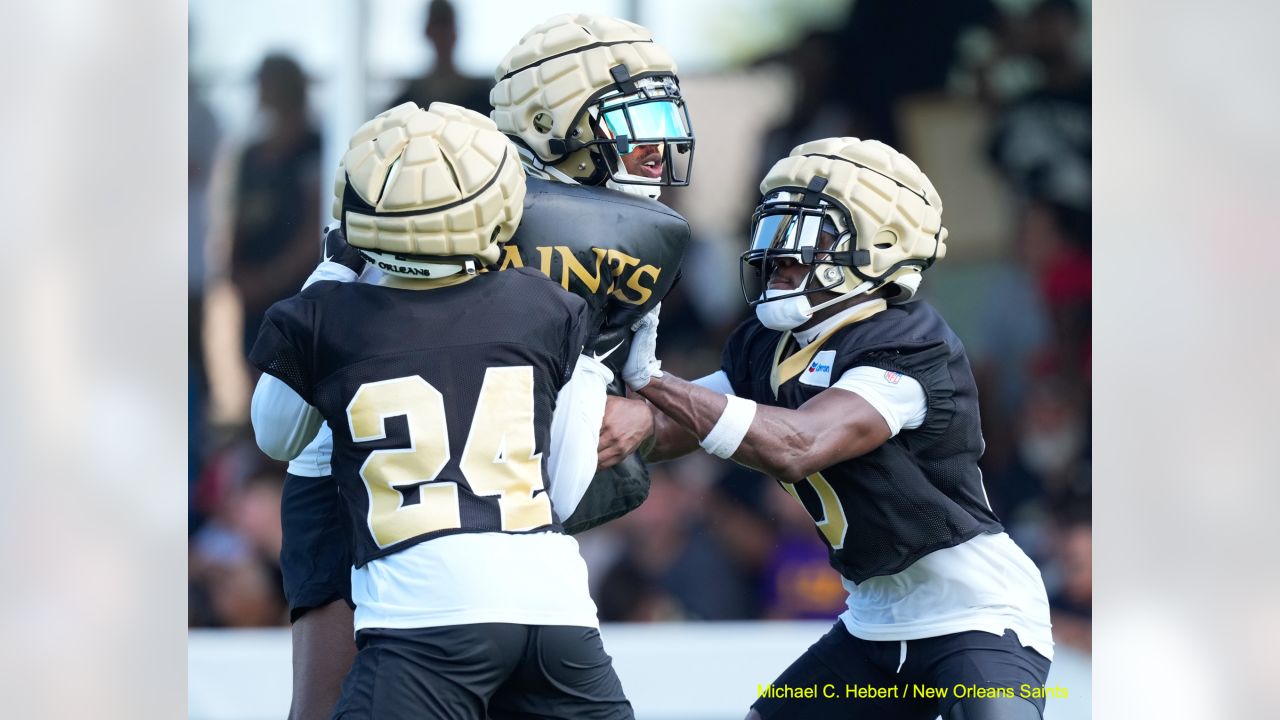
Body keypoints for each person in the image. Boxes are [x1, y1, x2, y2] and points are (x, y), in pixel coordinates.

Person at [273, 15, 695, 719]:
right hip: (371, 479)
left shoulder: (639, 234)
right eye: (636, 116)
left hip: (507, 509)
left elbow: (639, 391)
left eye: (665, 113)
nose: (659, 141)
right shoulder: (449, 187)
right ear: (548, 118)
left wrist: (646, 415)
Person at [601, 138, 1055, 720]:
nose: (777, 253)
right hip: (873, 622)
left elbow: (799, 444)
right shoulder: (767, 345)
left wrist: (653, 380)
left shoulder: (907, 341)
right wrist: (600, 392)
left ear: (880, 245)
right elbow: (669, 428)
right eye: (773, 231)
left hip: (976, 615)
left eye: (806, 233)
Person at [388, 0, 491, 115]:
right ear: (428, 31)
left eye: (445, 25)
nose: (442, 34)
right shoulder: (405, 102)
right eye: (437, 26)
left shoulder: (481, 97)